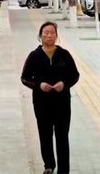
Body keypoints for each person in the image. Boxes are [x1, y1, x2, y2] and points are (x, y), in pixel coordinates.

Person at [21, 21, 80, 174]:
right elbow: (25, 78)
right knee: (45, 135)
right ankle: (49, 165)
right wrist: (39, 85)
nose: (49, 35)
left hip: (62, 103)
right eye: (46, 33)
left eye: (52, 32)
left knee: (62, 137)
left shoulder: (64, 55)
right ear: (40, 36)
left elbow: (75, 75)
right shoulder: (34, 56)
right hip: (42, 103)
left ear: (56, 35)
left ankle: (64, 169)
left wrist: (64, 84)